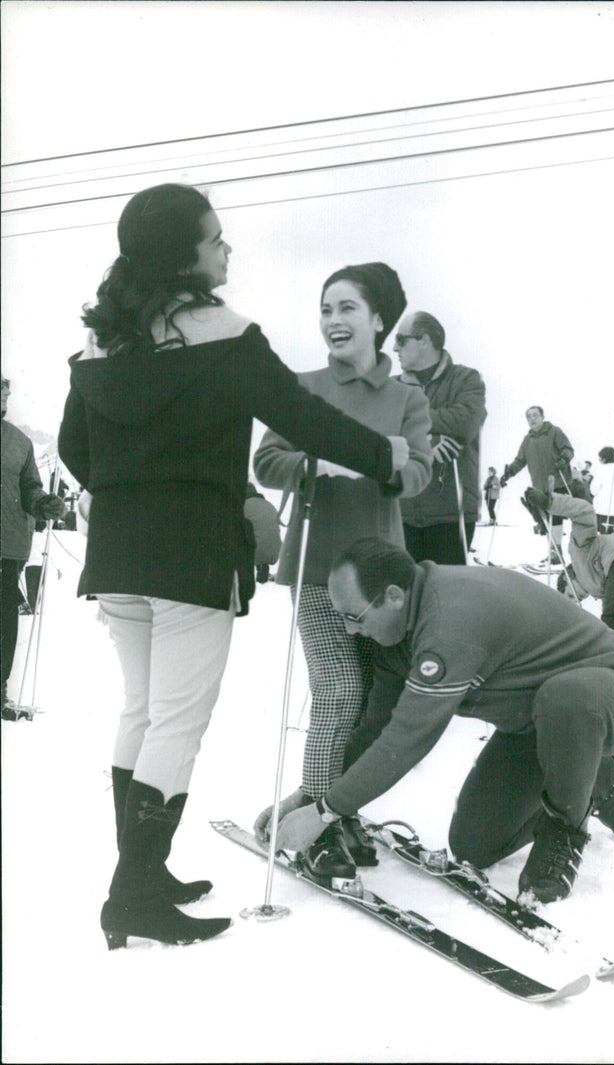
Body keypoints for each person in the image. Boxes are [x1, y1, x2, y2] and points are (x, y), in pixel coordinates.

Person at [57, 185, 413, 951]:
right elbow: (304, 418)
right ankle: (132, 892)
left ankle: (141, 875)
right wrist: (386, 456)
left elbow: (72, 451)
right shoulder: (227, 335)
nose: (226, 250)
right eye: (216, 238)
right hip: (189, 559)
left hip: (117, 554)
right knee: (175, 723)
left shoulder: (102, 345)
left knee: (142, 713)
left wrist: (128, 496)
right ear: (184, 255)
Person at [259, 536, 614, 905]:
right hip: (535, 726)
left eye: (355, 617)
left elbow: (406, 741)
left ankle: (565, 831)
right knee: (475, 845)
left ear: (394, 596)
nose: (349, 630)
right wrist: (310, 795)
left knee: (566, 700)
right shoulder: (395, 637)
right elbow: (378, 731)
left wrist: (326, 812)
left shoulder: (450, 621)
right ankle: (593, 778)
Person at [253, 263, 432, 876]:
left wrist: (380, 467)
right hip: (317, 564)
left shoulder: (407, 396)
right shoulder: (301, 388)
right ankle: (317, 820)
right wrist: (323, 463)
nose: (333, 320)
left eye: (347, 308)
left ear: (379, 319)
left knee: (372, 702)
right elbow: (267, 462)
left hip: (383, 580)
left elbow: (418, 473)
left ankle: (334, 807)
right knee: (338, 689)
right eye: (326, 308)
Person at [524, 485, 614, 656]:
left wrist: (550, 502)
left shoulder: (580, 551)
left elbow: (584, 512)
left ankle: (611, 665)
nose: (577, 600)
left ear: (568, 576)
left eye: (570, 595)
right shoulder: (598, 585)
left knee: (610, 617)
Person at [393, 311, 486, 563]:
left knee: (447, 598)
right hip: (400, 513)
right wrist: (430, 442)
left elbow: (465, 422)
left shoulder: (466, 379)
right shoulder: (390, 388)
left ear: (424, 340)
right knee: (402, 598)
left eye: (401, 340)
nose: (394, 348)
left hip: (450, 514)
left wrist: (409, 420)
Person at [1, 377, 66, 719]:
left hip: (8, 544)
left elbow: (30, 489)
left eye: (6, 393)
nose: (5, 398)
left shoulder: (19, 442)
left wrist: (44, 505)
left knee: (3, 622)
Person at [500, 406, 574, 563]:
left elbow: (568, 449)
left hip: (557, 481)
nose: (532, 419)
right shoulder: (528, 440)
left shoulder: (554, 431)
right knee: (547, 519)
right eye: (529, 417)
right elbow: (520, 460)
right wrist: (508, 473)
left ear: (542, 417)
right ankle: (554, 552)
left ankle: (557, 553)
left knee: (556, 518)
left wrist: (564, 459)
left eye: (535, 415)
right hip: (540, 485)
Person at [592, 446, 614, 533]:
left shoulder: (601, 470)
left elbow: (594, 489)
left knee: (602, 531)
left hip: (602, 506)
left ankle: (605, 546)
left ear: (604, 459)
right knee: (609, 529)